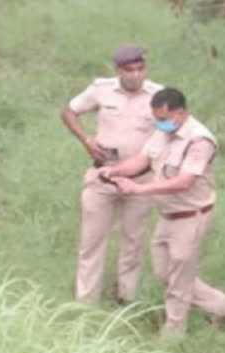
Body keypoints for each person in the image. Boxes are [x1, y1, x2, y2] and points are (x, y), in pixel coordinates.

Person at [99, 88, 225, 334]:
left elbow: (184, 182)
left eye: (164, 119)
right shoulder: (163, 133)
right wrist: (116, 171)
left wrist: (139, 190)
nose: (160, 124)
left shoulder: (200, 141)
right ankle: (222, 306)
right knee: (163, 272)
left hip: (190, 217)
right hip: (167, 215)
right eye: (157, 119)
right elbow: (143, 160)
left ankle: (172, 335)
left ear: (181, 113)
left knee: (178, 282)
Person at [61, 44, 163, 304]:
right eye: (130, 70)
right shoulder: (101, 90)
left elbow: (169, 130)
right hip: (102, 177)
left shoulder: (157, 96)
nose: (136, 75)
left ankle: (126, 299)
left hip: (139, 180)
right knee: (91, 242)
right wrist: (86, 139)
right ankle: (85, 302)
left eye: (141, 69)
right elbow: (69, 111)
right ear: (119, 70)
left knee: (133, 242)